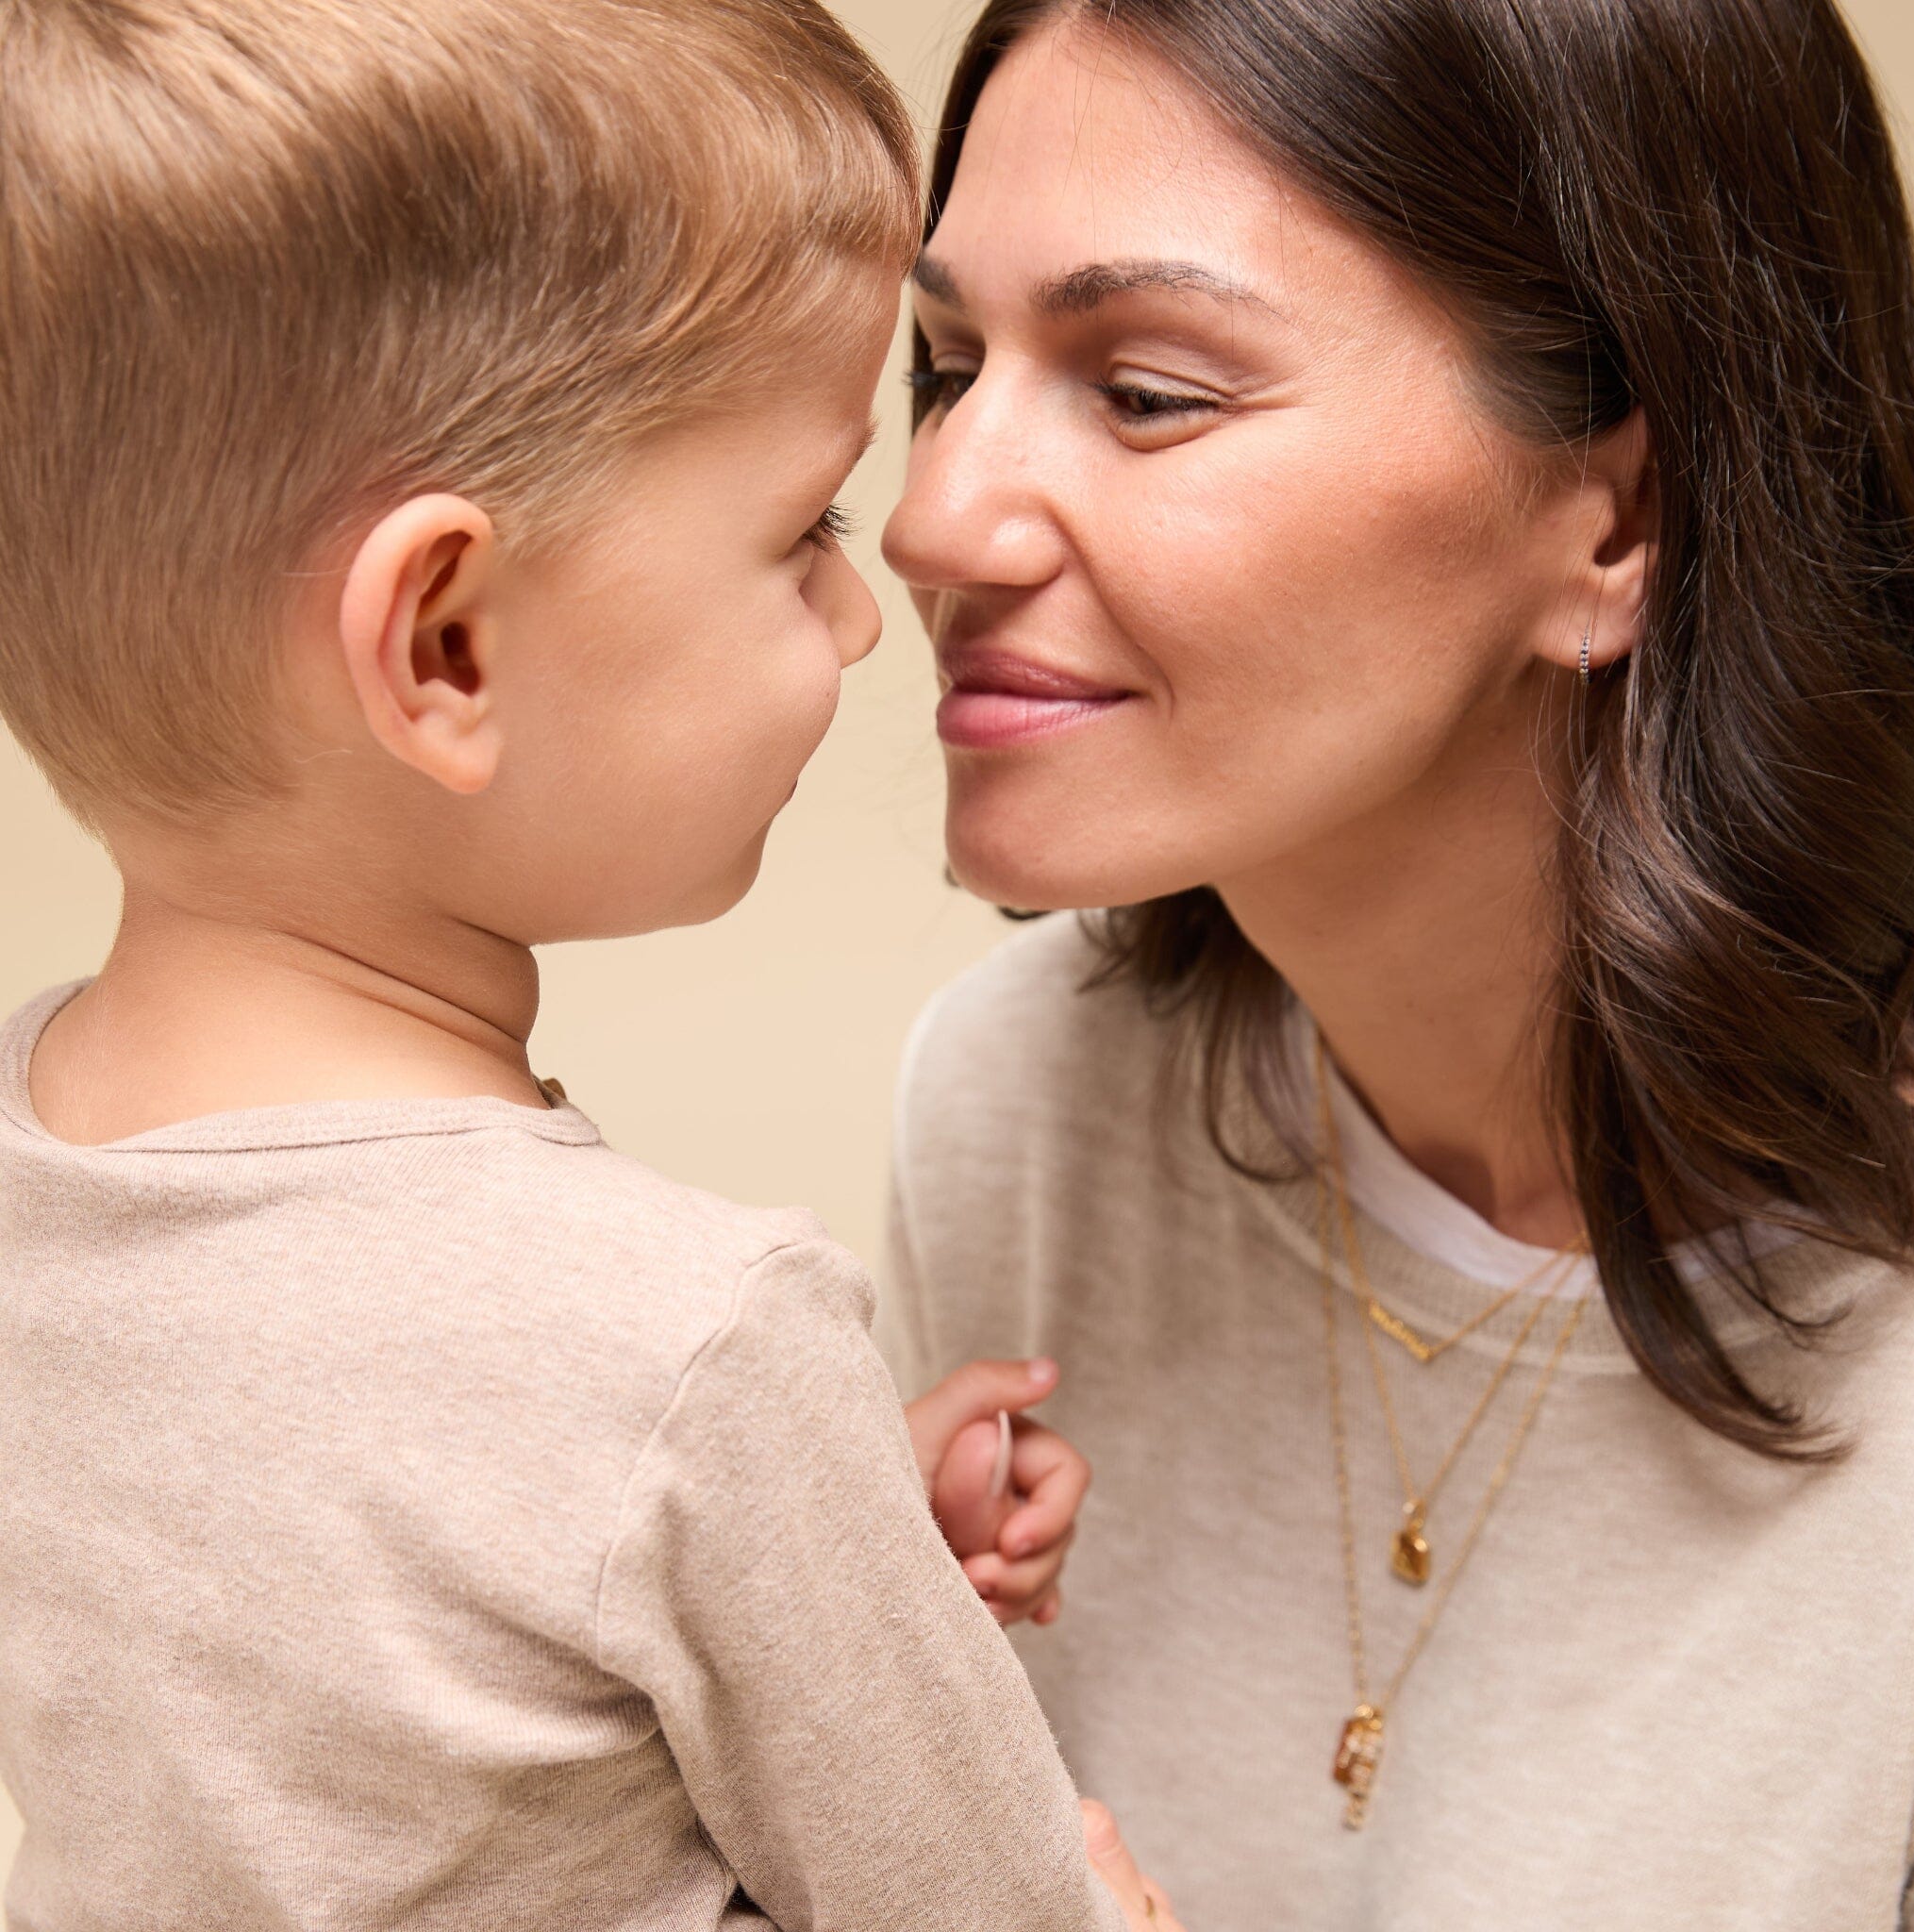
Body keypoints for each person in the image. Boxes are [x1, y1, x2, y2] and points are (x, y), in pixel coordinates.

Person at [0, 1, 1174, 1925]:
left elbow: (359, 1675)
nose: (864, 611)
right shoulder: (694, 1343)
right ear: (444, 645)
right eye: (801, 529)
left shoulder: (35, 1180)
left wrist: (805, 1566)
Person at [874, 0, 1914, 1926]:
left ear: (1617, 519)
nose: (929, 518)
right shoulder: (1023, 1105)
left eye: (1149, 393)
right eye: (947, 368)